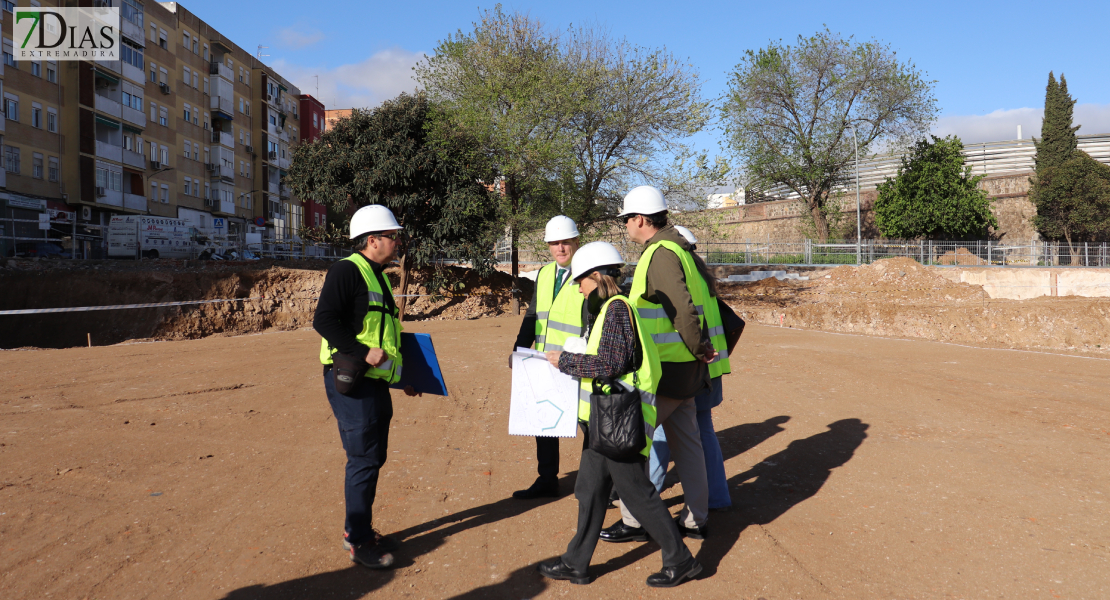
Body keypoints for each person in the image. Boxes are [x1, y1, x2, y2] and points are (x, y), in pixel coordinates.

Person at [537, 241, 702, 588]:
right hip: (605, 419)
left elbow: (611, 364)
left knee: (637, 493)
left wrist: (564, 361)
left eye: (581, 282)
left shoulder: (615, 309)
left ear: (596, 276)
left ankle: (680, 559)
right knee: (589, 490)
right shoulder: (607, 310)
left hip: (619, 421)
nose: (579, 289)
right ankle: (575, 561)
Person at [600, 186, 716, 544]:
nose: (625, 227)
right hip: (686, 372)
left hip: (664, 372)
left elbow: (680, 309)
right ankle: (696, 519)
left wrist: (699, 347)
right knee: (688, 446)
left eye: (625, 220)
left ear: (640, 219)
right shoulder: (679, 249)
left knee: (630, 444)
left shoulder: (660, 254)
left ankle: (635, 521)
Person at [313, 204, 419, 569]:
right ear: (373, 240)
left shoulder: (377, 276)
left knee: (373, 457)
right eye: (393, 236)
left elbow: (386, 334)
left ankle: (357, 529)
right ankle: (357, 540)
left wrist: (403, 376)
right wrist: (361, 352)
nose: (397, 241)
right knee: (363, 459)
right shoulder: (347, 270)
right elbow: (323, 319)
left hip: (374, 381)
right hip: (352, 379)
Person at [647, 225, 745, 512]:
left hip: (692, 370)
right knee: (704, 432)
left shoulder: (682, 275)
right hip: (711, 372)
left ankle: (645, 498)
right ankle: (716, 497)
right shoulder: (702, 277)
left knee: (664, 435)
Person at [509, 216, 585, 499]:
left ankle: (599, 484)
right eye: (554, 243)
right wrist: (519, 349)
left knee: (588, 421)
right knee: (546, 418)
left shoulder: (588, 273)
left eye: (565, 242)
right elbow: (533, 315)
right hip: (544, 359)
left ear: (577, 242)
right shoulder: (544, 274)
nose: (560, 248)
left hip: (576, 361)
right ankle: (547, 478)